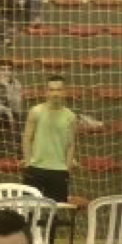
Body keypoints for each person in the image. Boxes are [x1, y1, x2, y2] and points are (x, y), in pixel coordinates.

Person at [21, 75, 78, 206]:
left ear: (64, 92)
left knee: (54, 214)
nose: (55, 93)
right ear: (46, 92)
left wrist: (67, 168)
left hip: (59, 172)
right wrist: (28, 163)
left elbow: (70, 145)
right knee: (29, 211)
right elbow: (27, 138)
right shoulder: (35, 111)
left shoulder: (71, 116)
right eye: (51, 89)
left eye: (59, 90)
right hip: (35, 168)